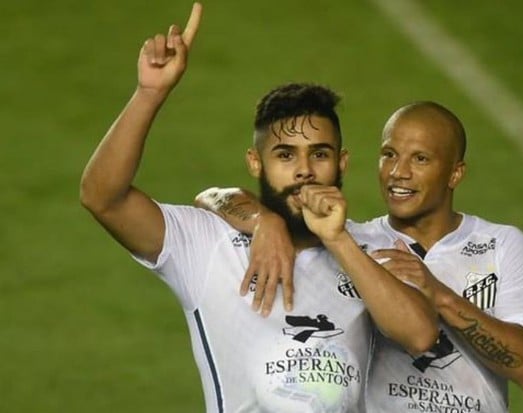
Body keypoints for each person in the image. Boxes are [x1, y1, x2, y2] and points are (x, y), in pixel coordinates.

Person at [79, 3, 437, 412]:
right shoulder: (207, 245)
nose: (304, 171)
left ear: (341, 162)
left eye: (319, 154)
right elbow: (102, 197)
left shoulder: (375, 245)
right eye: (285, 156)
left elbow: (420, 336)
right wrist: (150, 94)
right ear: (256, 163)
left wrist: (337, 239)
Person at [197, 101, 523, 412]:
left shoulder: (500, 245)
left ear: (455, 173)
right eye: (389, 155)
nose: (398, 172)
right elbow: (214, 196)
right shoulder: (348, 241)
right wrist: (265, 221)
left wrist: (439, 295)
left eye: (420, 159)